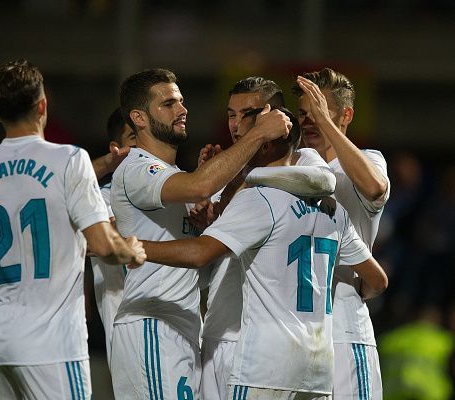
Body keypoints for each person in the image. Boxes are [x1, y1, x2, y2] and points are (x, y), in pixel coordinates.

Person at [0, 59, 146, 400]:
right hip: (55, 346)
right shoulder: (70, 159)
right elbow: (105, 247)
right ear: (42, 105)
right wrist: (133, 251)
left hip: (3, 346)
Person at [142, 106, 388, 400]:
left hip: (265, 367)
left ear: (266, 144)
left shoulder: (260, 199)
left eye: (249, 138)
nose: (241, 146)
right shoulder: (333, 209)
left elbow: (199, 253)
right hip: (317, 370)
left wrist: (133, 246)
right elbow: (378, 280)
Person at [110, 68, 292, 399]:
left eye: (181, 102)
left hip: (180, 326)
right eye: (168, 104)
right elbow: (201, 185)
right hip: (152, 324)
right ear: (139, 118)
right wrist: (258, 135)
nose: (182, 110)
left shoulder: (172, 179)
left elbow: (199, 269)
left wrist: (211, 220)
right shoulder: (138, 167)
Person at [200, 76, 336, 400]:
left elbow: (325, 180)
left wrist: (243, 179)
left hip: (259, 346)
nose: (236, 124)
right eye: (231, 114)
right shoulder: (227, 173)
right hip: (219, 331)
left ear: (274, 116)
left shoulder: (302, 161)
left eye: (247, 114)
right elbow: (207, 262)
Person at [292, 67, 391, 400]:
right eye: (304, 113)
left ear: (345, 115)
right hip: (296, 334)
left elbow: (376, 188)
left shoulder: (368, 161)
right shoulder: (292, 172)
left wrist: (327, 124)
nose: (309, 121)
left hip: (345, 329)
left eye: (319, 111)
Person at [89, 108, 136, 368]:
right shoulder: (100, 198)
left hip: (184, 329)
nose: (143, 148)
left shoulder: (174, 192)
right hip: (126, 329)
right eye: (134, 139)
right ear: (115, 149)